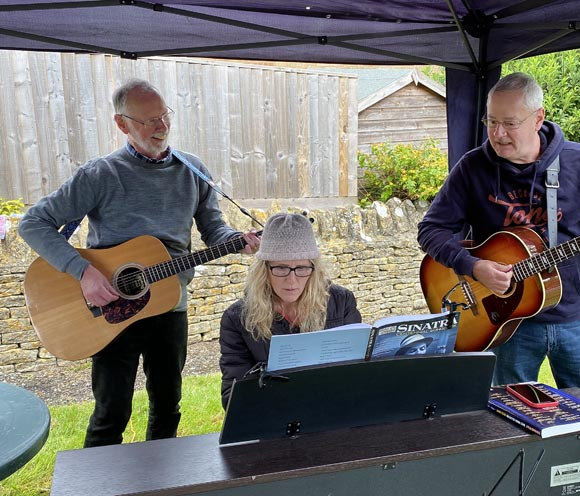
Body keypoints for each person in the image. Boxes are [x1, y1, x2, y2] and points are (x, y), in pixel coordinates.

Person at [18, 78, 260, 447]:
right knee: (111, 413)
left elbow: (214, 229)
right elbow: (33, 223)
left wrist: (237, 241)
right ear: (122, 124)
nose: (161, 127)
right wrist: (83, 272)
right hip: (109, 311)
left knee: (167, 407)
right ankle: (99, 478)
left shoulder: (192, 170)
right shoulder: (100, 174)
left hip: (169, 307)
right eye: (149, 121)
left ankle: (160, 476)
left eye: (164, 116)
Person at [417, 72, 580, 400]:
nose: (497, 133)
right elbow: (430, 230)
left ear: (538, 118)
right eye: (491, 121)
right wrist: (473, 266)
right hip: (504, 321)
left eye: (509, 123)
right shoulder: (472, 167)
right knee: (509, 411)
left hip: (574, 317)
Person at [219, 213, 362, 408]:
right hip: (274, 415)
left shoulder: (341, 302)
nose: (291, 281)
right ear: (264, 269)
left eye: (301, 268)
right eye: (281, 268)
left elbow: (359, 372)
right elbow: (233, 397)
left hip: (335, 409)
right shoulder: (238, 318)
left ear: (314, 269)